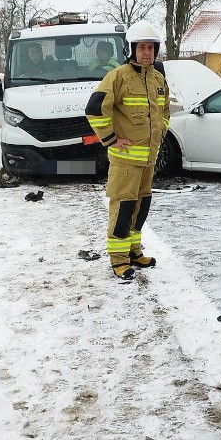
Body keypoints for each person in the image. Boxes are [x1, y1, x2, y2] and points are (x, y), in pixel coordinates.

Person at [85, 20, 169, 280]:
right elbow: (95, 109)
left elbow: (164, 110)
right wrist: (111, 139)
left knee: (140, 206)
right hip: (125, 161)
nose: (146, 52)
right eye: (141, 47)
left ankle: (134, 251)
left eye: (150, 48)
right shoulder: (118, 76)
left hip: (148, 160)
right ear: (131, 49)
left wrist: (161, 132)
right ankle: (119, 260)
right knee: (123, 208)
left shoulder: (157, 78)